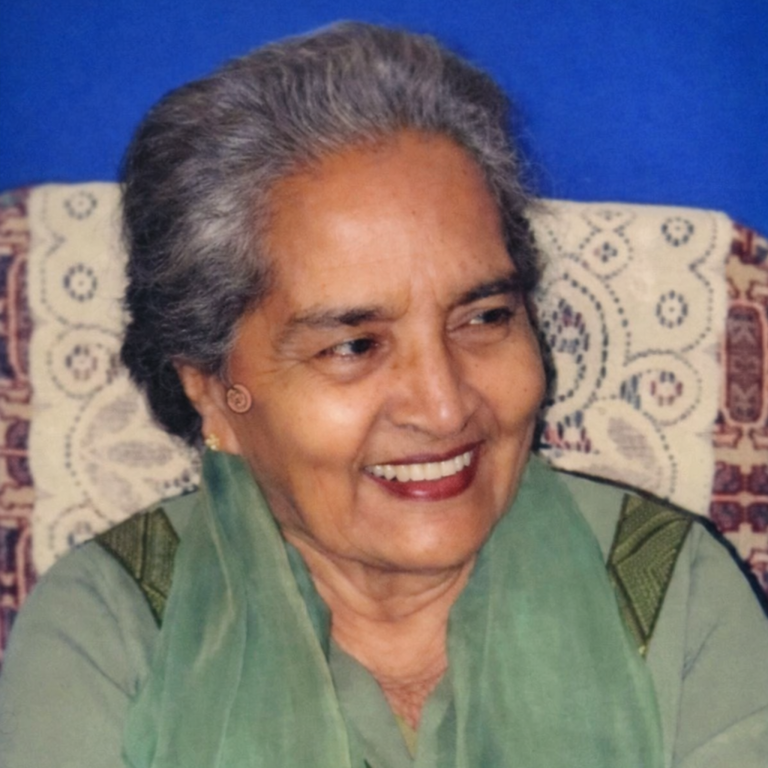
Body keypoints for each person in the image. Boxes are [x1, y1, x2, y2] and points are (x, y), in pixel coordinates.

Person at [0, 22, 766, 768]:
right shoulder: (113, 630)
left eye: (484, 318)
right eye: (354, 346)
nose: (443, 407)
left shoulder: (668, 594)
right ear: (210, 390)